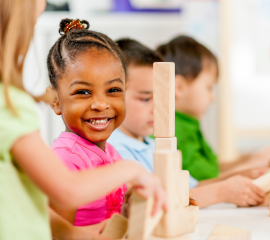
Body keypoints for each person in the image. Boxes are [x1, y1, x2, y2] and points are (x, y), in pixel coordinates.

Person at [0, 1, 166, 238]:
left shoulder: (110, 155)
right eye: (83, 92)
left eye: (114, 90)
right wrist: (131, 170)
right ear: (56, 100)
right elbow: (66, 191)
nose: (100, 104)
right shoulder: (66, 154)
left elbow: (25, 203)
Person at [108, 39, 266, 208]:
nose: (158, 108)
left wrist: (240, 177)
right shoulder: (114, 150)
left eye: (162, 97)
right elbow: (154, 202)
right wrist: (222, 191)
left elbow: (190, 188)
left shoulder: (152, 144)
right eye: (145, 98)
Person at [156, 36, 270, 183]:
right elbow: (204, 178)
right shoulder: (172, 129)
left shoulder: (188, 123)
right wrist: (250, 166)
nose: (213, 97)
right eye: (209, 88)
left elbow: (212, 168)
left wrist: (250, 160)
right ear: (179, 87)